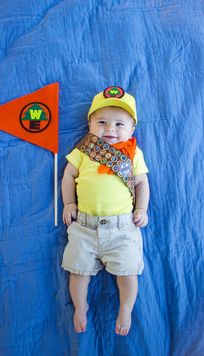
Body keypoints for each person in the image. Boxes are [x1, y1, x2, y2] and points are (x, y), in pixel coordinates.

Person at [61, 86, 150, 336]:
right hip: (84, 226)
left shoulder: (133, 154)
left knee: (128, 272)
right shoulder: (84, 150)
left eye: (120, 124)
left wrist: (142, 208)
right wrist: (69, 203)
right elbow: (68, 175)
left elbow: (142, 183)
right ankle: (80, 306)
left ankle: (126, 308)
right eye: (101, 122)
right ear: (90, 124)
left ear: (132, 130)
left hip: (122, 228)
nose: (110, 129)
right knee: (77, 271)